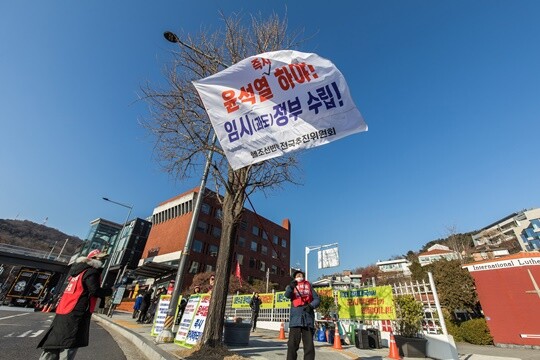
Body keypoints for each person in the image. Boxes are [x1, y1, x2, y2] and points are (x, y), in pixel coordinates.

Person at [37, 249, 113, 360]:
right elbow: (95, 290)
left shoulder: (77, 272)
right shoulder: (91, 272)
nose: (103, 261)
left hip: (64, 310)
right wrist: (110, 290)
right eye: (101, 259)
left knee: (54, 342)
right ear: (92, 259)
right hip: (77, 312)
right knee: (69, 343)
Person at [284, 270, 320, 360]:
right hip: (295, 320)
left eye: (300, 274)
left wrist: (311, 306)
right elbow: (287, 295)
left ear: (303, 276)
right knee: (292, 345)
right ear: (295, 278)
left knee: (309, 347)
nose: (299, 275)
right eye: (297, 275)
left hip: (307, 319)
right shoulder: (292, 286)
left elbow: (317, 299)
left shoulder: (309, 286)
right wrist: (291, 288)